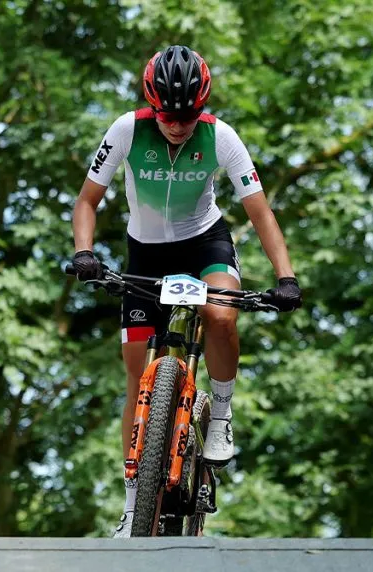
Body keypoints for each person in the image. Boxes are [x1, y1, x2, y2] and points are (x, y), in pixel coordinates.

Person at [69, 45, 302, 538]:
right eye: (169, 115)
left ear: (202, 106)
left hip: (205, 243)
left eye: (188, 115)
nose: (177, 125)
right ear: (154, 106)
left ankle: (220, 411)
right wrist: (85, 252)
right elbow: (87, 200)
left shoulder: (221, 138)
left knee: (221, 316)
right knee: (136, 377)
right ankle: (133, 506)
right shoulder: (127, 130)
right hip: (145, 253)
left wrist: (286, 278)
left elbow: (260, 212)